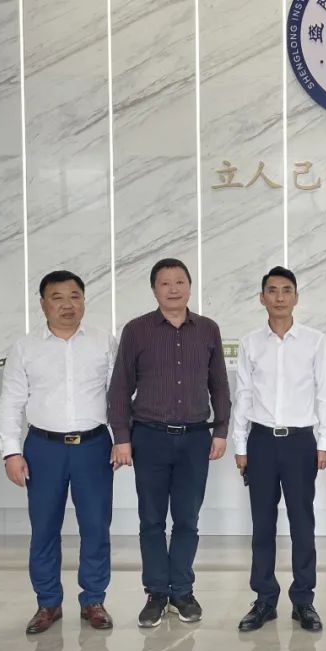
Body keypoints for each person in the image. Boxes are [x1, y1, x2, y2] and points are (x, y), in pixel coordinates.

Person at [108, 257, 231, 628]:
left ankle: (182, 590)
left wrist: (220, 431)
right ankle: (156, 593)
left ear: (190, 287)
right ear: (154, 289)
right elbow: (120, 388)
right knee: (151, 520)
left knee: (187, 520)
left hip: (195, 438)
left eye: (180, 281)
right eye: (165, 283)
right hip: (149, 437)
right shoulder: (137, 330)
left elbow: (220, 386)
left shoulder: (207, 329)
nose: (173, 288)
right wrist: (122, 438)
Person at [0, 270, 118, 634]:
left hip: (93, 446)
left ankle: (93, 599)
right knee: (44, 528)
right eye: (58, 298)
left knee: (96, 526)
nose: (68, 305)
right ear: (42, 304)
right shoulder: (25, 347)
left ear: (84, 300)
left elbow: (118, 396)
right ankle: (48, 602)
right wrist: (11, 452)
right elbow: (10, 402)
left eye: (75, 296)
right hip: (43, 448)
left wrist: (121, 440)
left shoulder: (103, 342)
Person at [230, 266, 326, 633]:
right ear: (262, 298)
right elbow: (243, 395)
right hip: (260, 441)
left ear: (296, 297)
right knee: (262, 524)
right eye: (272, 290)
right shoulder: (250, 343)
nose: (279, 297)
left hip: (300, 441)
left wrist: (324, 443)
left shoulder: (314, 341)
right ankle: (264, 599)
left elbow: (324, 393)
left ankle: (303, 600)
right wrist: (240, 444)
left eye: (286, 290)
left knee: (302, 522)